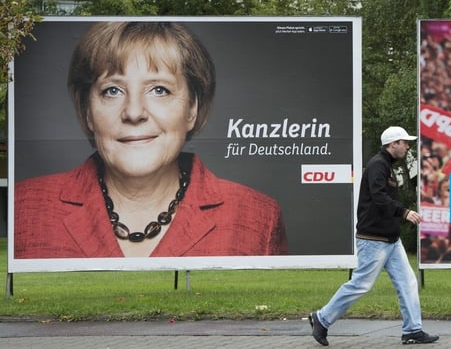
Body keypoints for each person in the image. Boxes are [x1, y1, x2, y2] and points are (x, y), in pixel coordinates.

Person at [14, 21, 289, 258]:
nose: (134, 112)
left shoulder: (257, 216)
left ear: (192, 109)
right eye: (112, 90)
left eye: (159, 90)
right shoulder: (24, 207)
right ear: (87, 111)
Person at [309, 126, 439, 346]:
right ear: (392, 144)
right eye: (404, 142)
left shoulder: (386, 165)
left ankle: (412, 330)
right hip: (373, 239)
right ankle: (321, 319)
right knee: (361, 284)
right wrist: (404, 212)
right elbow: (379, 197)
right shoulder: (378, 164)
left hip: (390, 239)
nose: (407, 146)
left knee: (407, 282)